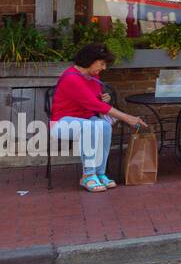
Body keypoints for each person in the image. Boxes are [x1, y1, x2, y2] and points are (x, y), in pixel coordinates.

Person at [50, 44, 147, 192]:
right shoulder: (71, 78)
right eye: (101, 63)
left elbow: (95, 100)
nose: (104, 67)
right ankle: (88, 175)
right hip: (62, 123)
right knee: (92, 126)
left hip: (87, 118)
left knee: (105, 126)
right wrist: (127, 118)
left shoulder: (93, 75)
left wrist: (104, 98)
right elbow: (95, 105)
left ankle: (100, 173)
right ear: (90, 60)